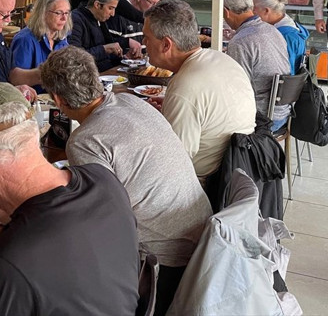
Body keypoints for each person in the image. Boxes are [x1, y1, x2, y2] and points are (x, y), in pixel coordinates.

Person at [0, 82, 140, 315]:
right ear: (34, 130)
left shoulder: (7, 268)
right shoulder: (104, 179)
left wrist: (22, 231)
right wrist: (20, 219)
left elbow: (33, 261)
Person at [40, 46, 212, 316]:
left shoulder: (85, 140)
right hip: (205, 240)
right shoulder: (131, 101)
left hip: (164, 265)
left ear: (57, 99)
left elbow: (100, 223)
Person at [143, 0, 256, 183]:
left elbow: (175, 163)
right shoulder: (220, 58)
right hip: (244, 167)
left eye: (146, 37)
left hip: (208, 184)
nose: (143, 42)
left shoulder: (185, 86)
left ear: (166, 45)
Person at [224, 0, 292, 131]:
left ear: (225, 12)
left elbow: (239, 90)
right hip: (283, 112)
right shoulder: (272, 29)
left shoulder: (240, 41)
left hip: (263, 119)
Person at [69, 0, 142, 71]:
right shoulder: (76, 20)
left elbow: (106, 46)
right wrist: (105, 49)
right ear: (97, 5)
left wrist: (125, 50)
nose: (113, 14)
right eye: (110, 8)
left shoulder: (99, 18)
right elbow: (74, 56)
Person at [9, 0, 71, 92]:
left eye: (67, 13)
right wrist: (44, 74)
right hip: (34, 101)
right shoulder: (25, 39)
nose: (64, 18)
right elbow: (15, 78)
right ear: (43, 13)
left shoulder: (61, 38)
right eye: (59, 13)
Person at [252, 0, 310, 74]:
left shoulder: (285, 36)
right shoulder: (290, 24)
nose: (251, 12)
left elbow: (287, 73)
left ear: (266, 11)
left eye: (253, 8)